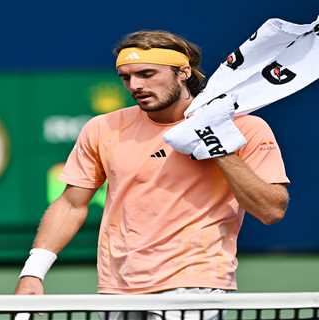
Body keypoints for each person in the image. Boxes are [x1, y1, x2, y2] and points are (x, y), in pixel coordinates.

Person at [15, 30, 290, 318]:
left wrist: (217, 144)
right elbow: (71, 204)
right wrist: (33, 273)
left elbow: (271, 209)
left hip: (194, 286)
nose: (135, 85)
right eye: (126, 77)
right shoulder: (102, 128)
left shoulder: (246, 128)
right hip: (117, 290)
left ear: (183, 72)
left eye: (147, 74)